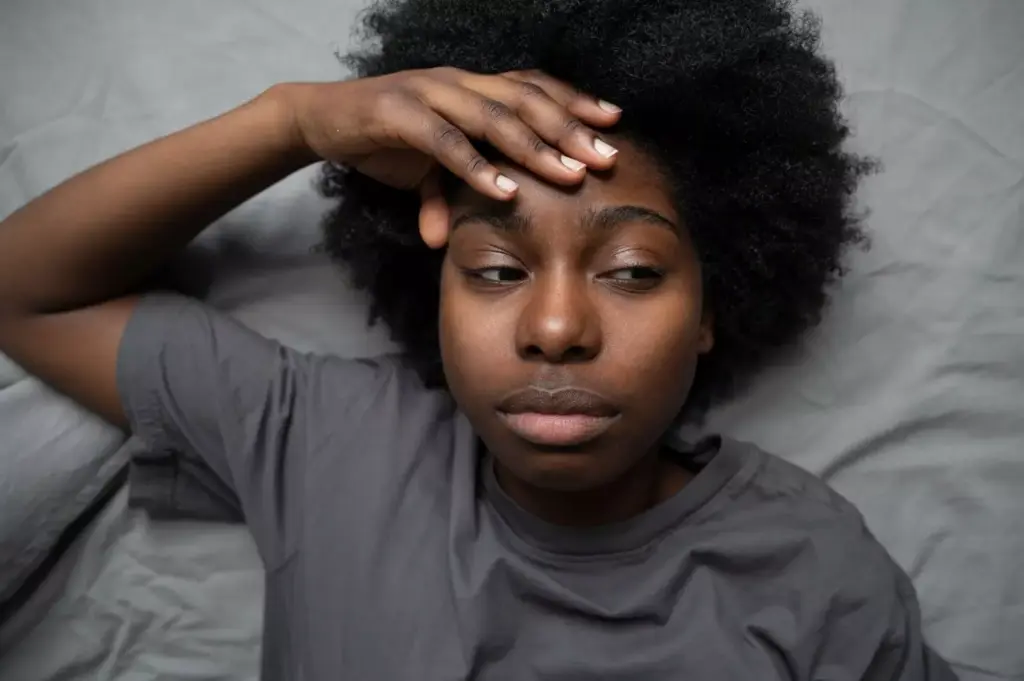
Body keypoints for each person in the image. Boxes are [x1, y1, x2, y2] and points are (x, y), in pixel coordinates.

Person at [0, 0, 957, 678]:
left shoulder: (812, 568)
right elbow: (27, 293)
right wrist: (295, 121)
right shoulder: (333, 439)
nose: (554, 329)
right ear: (436, 289)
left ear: (712, 306)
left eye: (630, 271)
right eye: (496, 271)